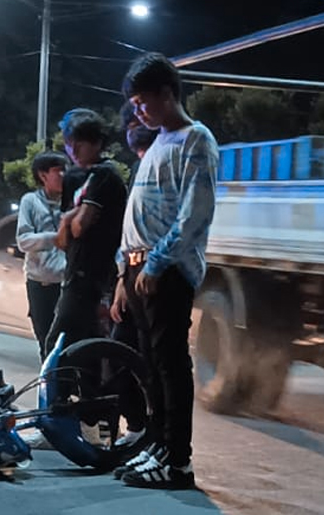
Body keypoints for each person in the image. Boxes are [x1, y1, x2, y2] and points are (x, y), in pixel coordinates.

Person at [111, 53, 220, 491]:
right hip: (138, 273)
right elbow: (134, 217)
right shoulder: (157, 142)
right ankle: (157, 445)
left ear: (168, 93)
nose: (139, 111)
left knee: (171, 365)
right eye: (134, 104)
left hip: (167, 272)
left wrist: (156, 262)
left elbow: (196, 214)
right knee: (152, 367)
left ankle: (178, 461)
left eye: (143, 101)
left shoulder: (197, 140)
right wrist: (124, 273)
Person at [49, 110, 127, 351]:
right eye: (70, 145)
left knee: (58, 342)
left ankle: (58, 389)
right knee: (80, 343)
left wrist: (71, 220)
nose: (72, 151)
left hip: (97, 274)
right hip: (73, 269)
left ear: (96, 144)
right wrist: (69, 219)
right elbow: (62, 239)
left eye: (78, 145)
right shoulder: (73, 177)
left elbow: (80, 227)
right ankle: (82, 389)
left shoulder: (105, 175)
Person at [15, 152, 68, 357]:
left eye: (66, 169)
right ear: (43, 175)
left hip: (67, 285)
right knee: (46, 342)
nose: (64, 175)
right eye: (58, 171)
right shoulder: (30, 201)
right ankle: (51, 388)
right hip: (41, 285)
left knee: (68, 343)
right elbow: (23, 240)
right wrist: (55, 238)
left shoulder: (74, 201)